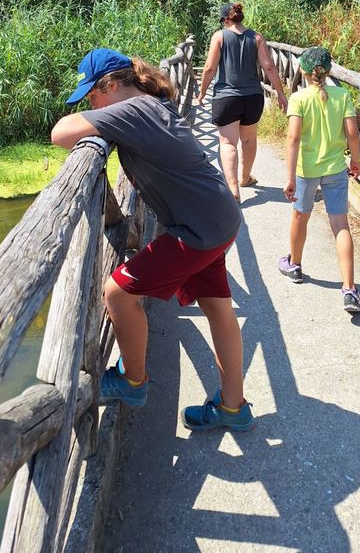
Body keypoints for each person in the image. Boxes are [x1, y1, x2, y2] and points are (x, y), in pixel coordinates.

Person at [51, 47, 255, 430]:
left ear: (110, 85)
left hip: (197, 229)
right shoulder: (150, 105)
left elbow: (59, 133)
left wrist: (96, 120)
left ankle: (133, 382)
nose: (92, 105)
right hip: (218, 217)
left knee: (117, 292)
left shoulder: (133, 111)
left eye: (92, 96)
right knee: (218, 309)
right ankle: (233, 407)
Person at [278, 46, 360, 314]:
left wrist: (290, 176)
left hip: (307, 170)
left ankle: (294, 265)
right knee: (340, 224)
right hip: (336, 168)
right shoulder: (342, 96)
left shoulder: (299, 98)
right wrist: (355, 161)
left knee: (300, 216)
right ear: (328, 72)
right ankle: (349, 288)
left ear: (302, 70)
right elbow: (353, 133)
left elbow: (293, 139)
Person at [198, 2, 288, 201]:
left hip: (226, 97)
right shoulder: (256, 37)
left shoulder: (219, 36)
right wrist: (280, 93)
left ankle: (233, 189)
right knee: (248, 140)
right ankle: (245, 177)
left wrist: (202, 93)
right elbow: (269, 67)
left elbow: (209, 68)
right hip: (253, 97)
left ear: (226, 20)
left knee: (228, 142)